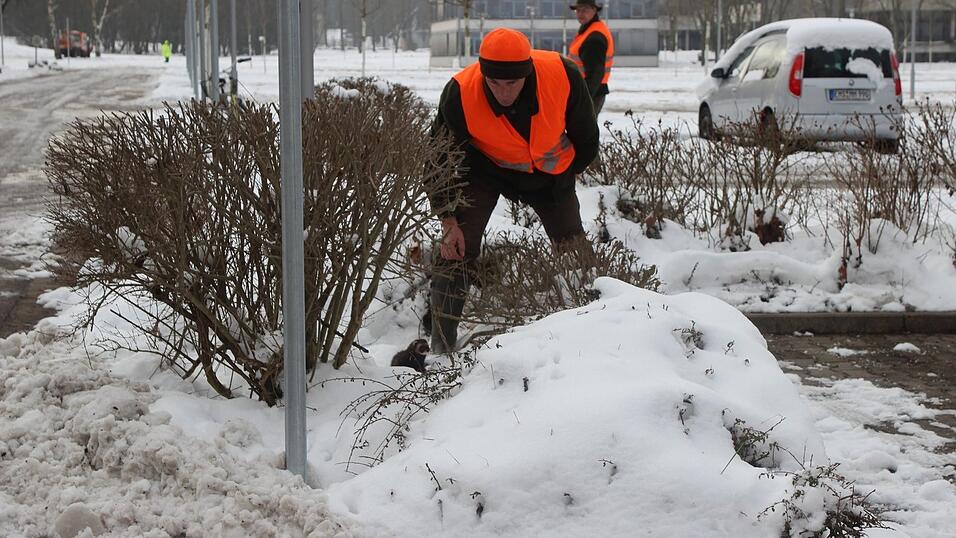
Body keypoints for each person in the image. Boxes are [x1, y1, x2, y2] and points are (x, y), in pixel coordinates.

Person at [426, 27, 599, 353]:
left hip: (550, 173)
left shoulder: (563, 75)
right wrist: (448, 220)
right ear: (483, 75)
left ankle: (595, 327)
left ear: (528, 72)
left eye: (512, 83)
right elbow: (436, 163)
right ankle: (441, 347)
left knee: (574, 249)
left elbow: (587, 140)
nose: (503, 93)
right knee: (455, 250)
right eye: (494, 83)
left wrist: (562, 175)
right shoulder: (460, 92)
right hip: (485, 170)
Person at [568, 0, 614, 115]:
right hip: (587, 91)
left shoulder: (594, 37)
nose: (580, 13)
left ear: (594, 10)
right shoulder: (589, 30)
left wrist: (584, 100)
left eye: (585, 10)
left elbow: (595, 74)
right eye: (578, 10)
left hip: (589, 92)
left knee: (583, 131)